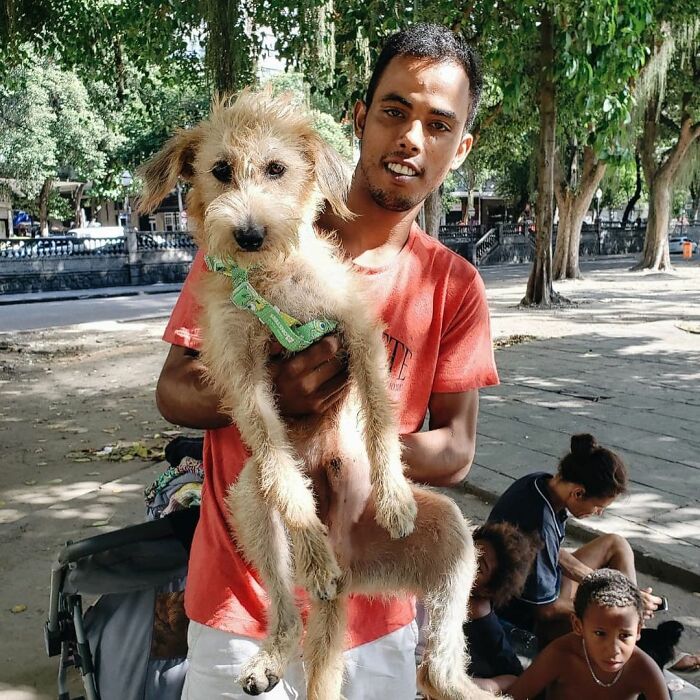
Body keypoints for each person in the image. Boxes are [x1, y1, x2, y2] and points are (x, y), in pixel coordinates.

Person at [156, 23, 499, 699]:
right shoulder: (247, 236)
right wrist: (270, 396)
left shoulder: (454, 285)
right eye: (394, 111)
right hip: (243, 603)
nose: (410, 138)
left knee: (455, 535)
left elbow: (457, 450)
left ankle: (445, 663)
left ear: (460, 147)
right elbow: (172, 392)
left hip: (373, 606)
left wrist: (351, 453)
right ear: (360, 119)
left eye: (438, 124)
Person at [487, 433, 662, 646]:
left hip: (546, 584)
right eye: (598, 506)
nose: (598, 513)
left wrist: (612, 587)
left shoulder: (539, 482)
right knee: (609, 622)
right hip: (530, 615)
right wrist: (608, 603)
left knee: (616, 544)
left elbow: (553, 554)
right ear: (578, 493)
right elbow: (546, 610)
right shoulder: (539, 523)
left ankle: (629, 613)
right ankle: (626, 627)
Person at [507, 568, 669, 700]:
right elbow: (513, 697)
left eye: (624, 636)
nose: (613, 650)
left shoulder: (643, 668)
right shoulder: (561, 656)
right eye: (600, 633)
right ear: (578, 625)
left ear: (638, 630)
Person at [466, 522, 541, 693]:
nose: (465, 560)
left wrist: (470, 684)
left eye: (479, 566)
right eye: (469, 550)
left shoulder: (478, 616)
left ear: (486, 590)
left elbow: (514, 677)